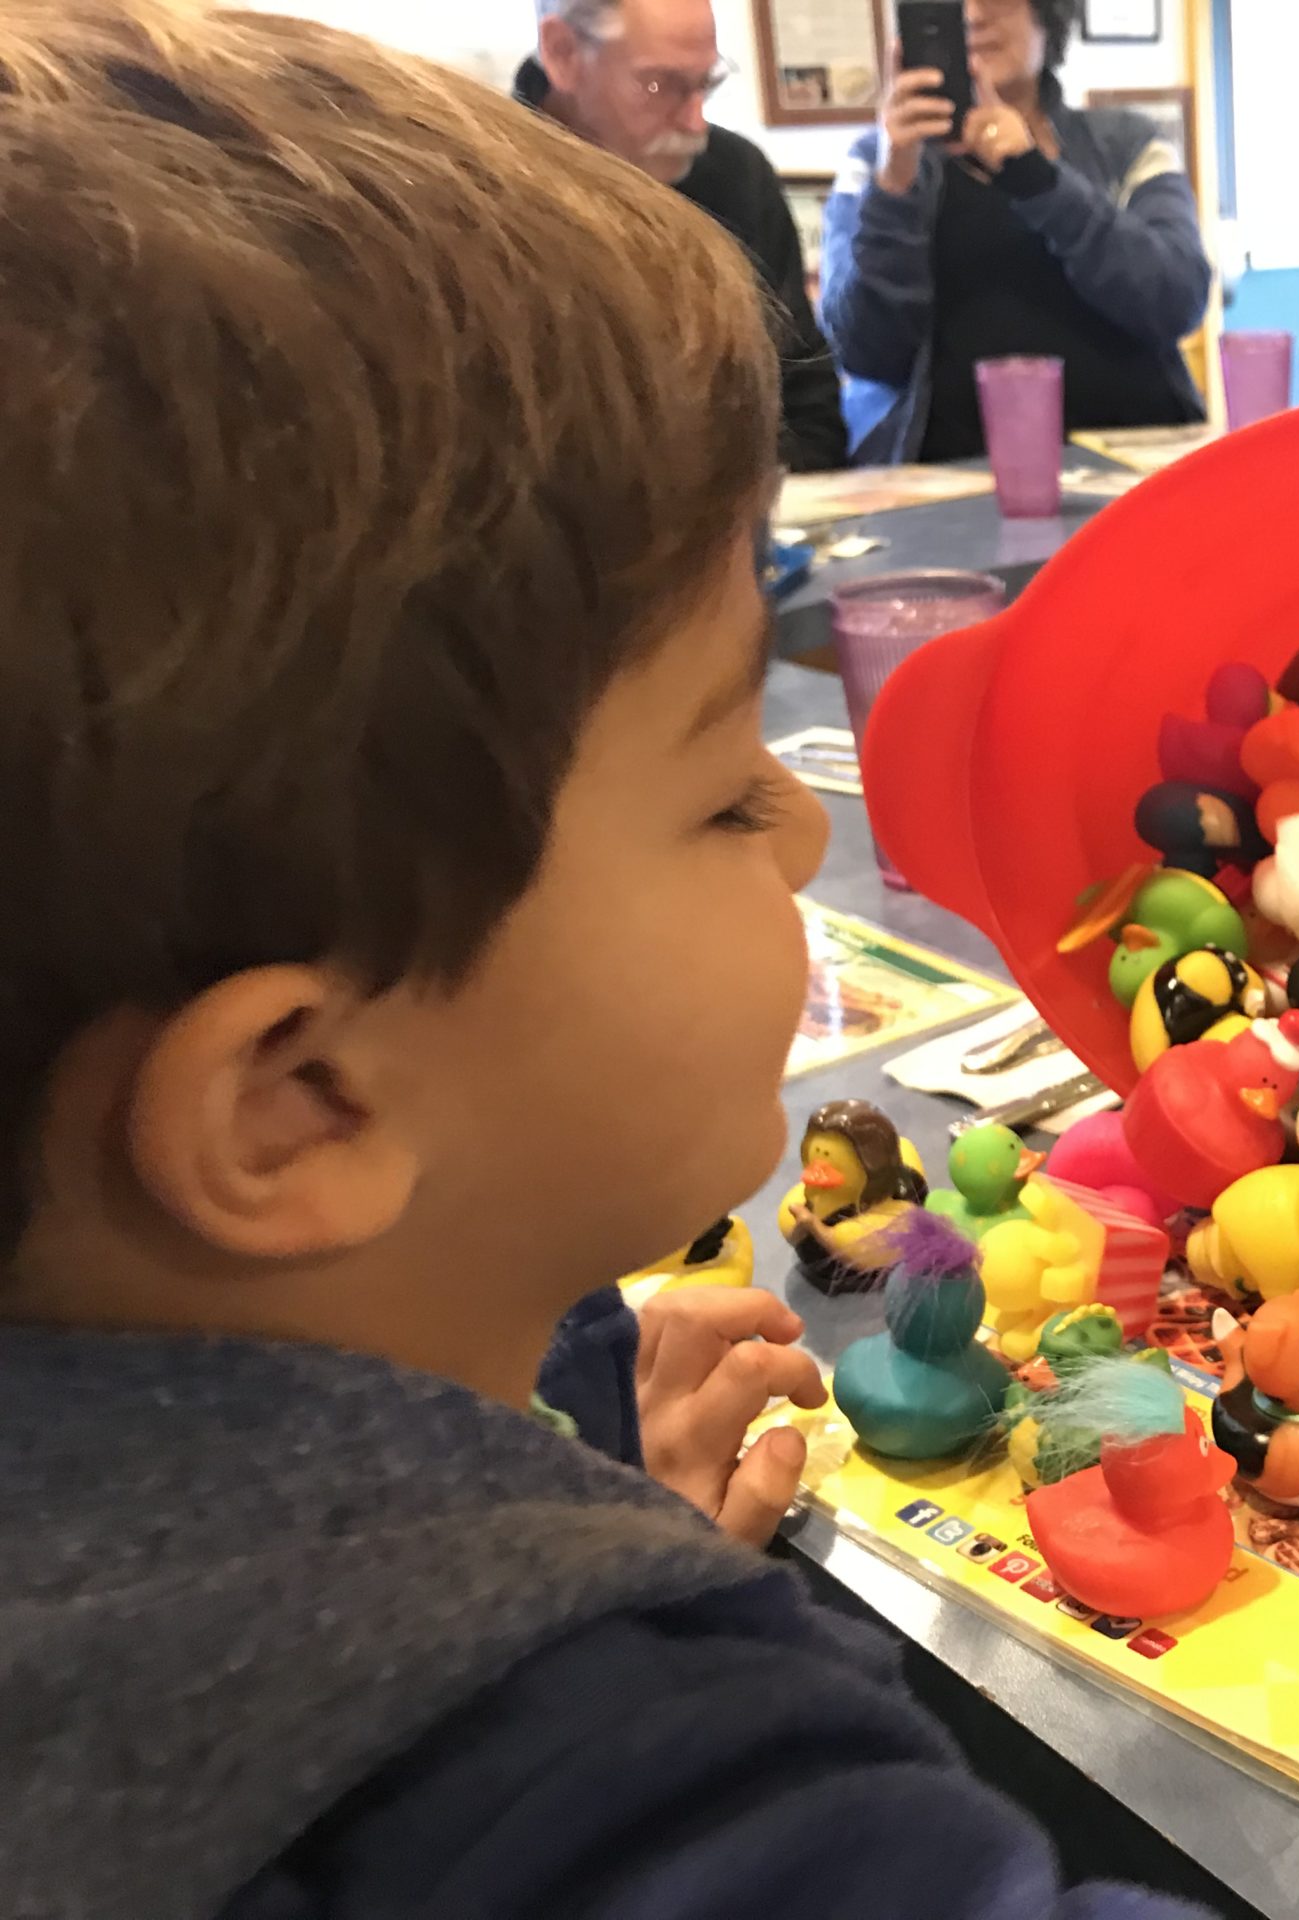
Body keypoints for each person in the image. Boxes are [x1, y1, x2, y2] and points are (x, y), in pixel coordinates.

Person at [0, 7, 1199, 1916]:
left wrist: (570, 1447)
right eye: (726, 794)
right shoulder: (632, 1790)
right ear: (301, 1106)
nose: (801, 834)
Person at [821, 0, 1212, 463]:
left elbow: (1177, 298)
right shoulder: (875, 163)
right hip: (940, 479)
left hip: (1134, 460)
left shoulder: (1128, 143)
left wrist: (1036, 178)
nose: (973, 16)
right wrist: (894, 190)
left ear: (1048, 15)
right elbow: (863, 352)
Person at [522, 0, 850, 471]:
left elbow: (805, 400)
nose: (694, 122)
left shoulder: (735, 174)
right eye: (659, 85)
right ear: (563, 53)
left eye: (705, 84)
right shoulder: (484, 195)